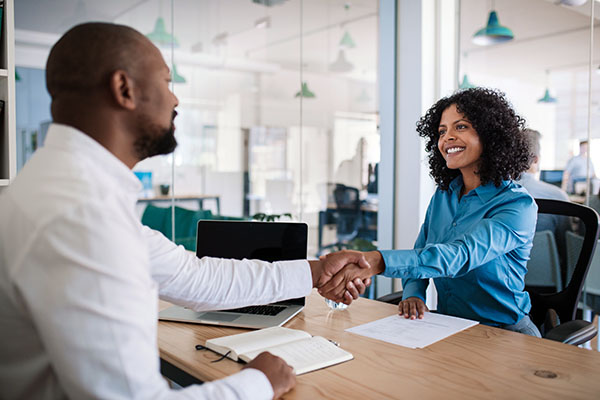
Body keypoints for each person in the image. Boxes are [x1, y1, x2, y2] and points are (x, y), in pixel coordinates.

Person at [0, 23, 370, 400]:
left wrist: (316, 270)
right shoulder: (83, 216)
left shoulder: (55, 187)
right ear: (124, 89)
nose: (175, 100)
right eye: (166, 82)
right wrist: (258, 382)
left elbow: (196, 277)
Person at [320, 88, 542, 337]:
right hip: (450, 327)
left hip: (505, 333)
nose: (447, 138)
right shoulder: (444, 194)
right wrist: (414, 292)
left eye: (461, 127)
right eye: (442, 131)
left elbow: (459, 255)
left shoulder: (517, 205)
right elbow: (422, 250)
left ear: (490, 135)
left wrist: (376, 261)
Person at [517, 129, 570, 265]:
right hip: (552, 280)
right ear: (536, 159)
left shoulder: (492, 193)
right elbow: (566, 246)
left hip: (504, 279)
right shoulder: (558, 197)